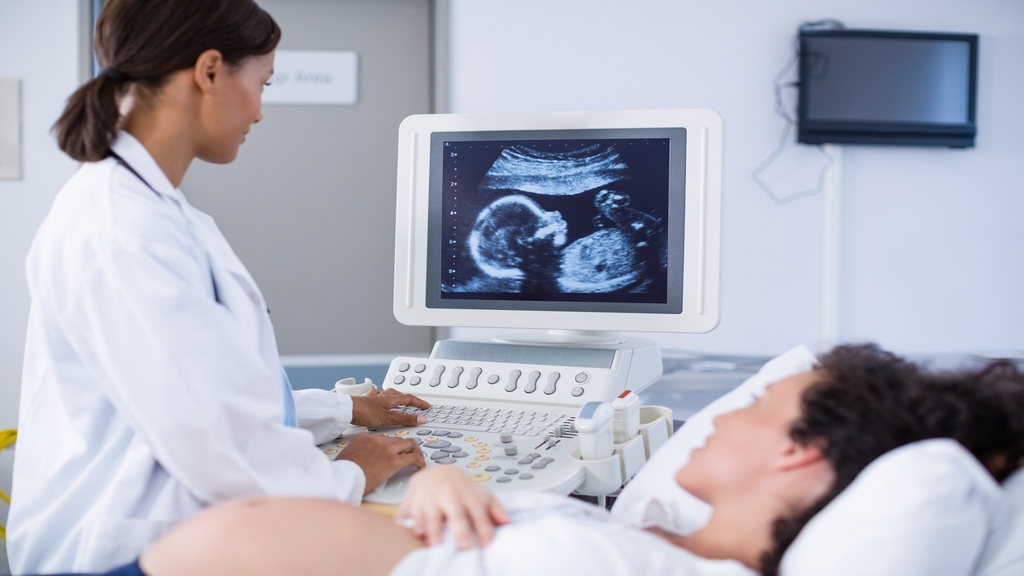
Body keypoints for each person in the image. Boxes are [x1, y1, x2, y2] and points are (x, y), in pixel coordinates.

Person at [7, 0, 431, 573]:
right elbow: (213, 443)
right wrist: (351, 471)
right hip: (117, 551)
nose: (260, 112)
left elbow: (206, 395)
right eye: (263, 83)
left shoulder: (155, 211)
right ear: (209, 71)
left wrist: (341, 409)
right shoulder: (122, 230)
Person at [63, 343, 1024, 576]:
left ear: (799, 455)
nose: (716, 420)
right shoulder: (642, 547)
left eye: (751, 409)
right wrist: (436, 487)